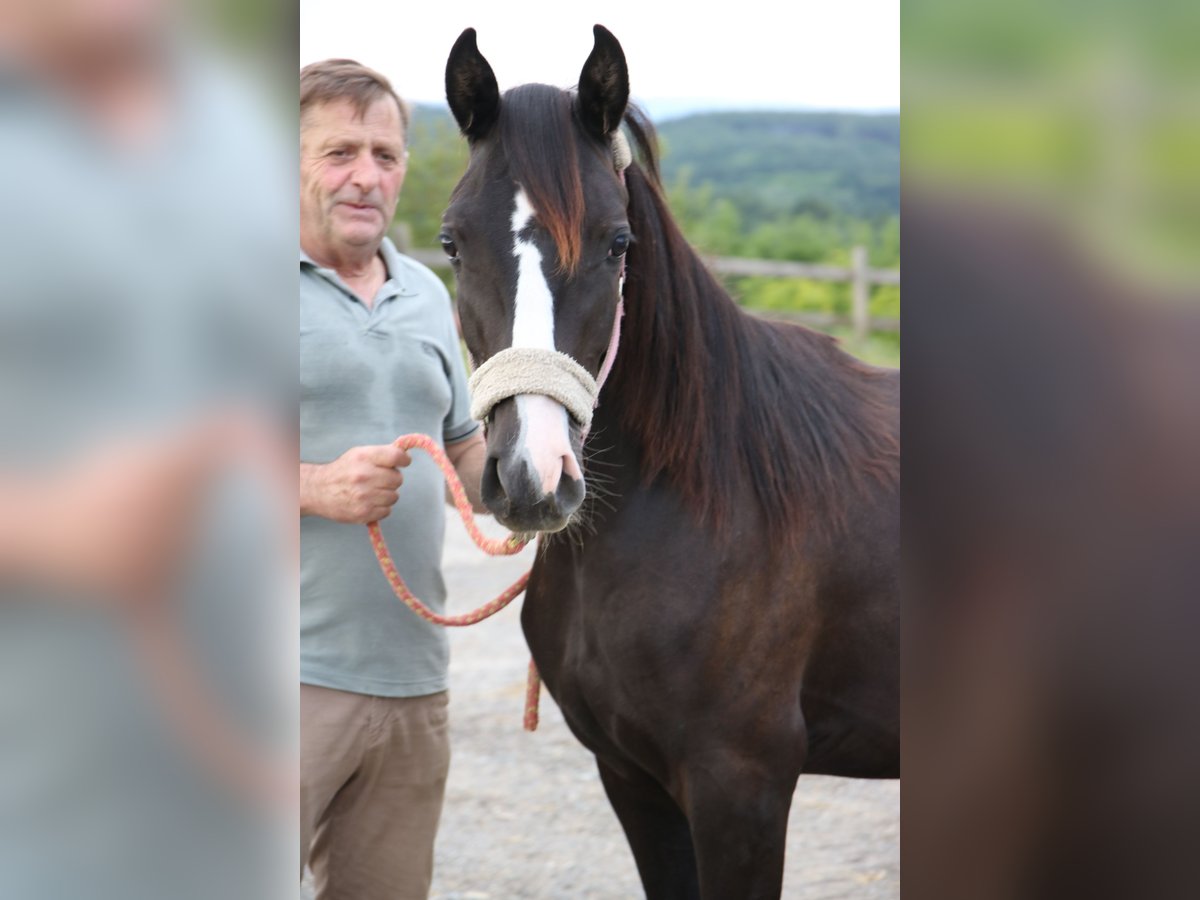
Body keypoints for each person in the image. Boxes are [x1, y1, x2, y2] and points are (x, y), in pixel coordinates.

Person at [298, 58, 487, 900]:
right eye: (339, 152)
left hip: (414, 686)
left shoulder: (425, 292)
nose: (367, 177)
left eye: (386, 153)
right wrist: (311, 487)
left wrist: (532, 495)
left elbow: (464, 450)